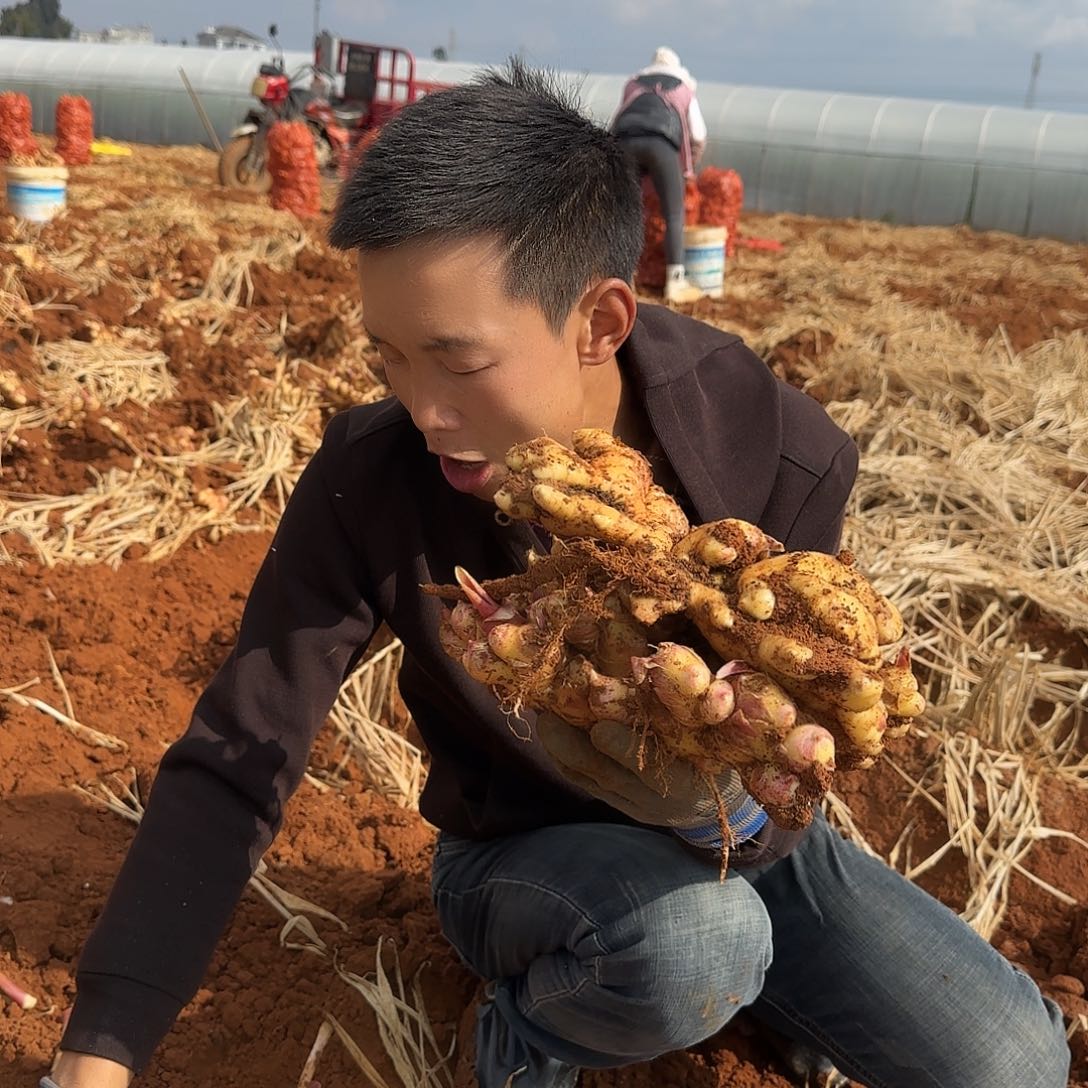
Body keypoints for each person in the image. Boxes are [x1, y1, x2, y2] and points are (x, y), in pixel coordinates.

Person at [46, 64, 1070, 1088]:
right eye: (388, 357)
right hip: (515, 854)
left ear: (599, 322)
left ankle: (743, 985)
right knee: (695, 947)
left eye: (456, 359)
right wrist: (100, 1050)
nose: (422, 407)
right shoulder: (374, 477)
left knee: (1011, 1061)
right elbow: (237, 753)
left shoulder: (774, 453)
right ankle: (526, 1042)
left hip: (737, 839)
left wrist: (731, 811)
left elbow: (799, 747)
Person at [611, 46, 708, 305]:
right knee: (674, 214)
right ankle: (675, 281)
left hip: (625, 144)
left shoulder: (633, 84)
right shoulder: (684, 89)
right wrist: (686, 169)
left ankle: (620, 277)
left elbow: (617, 119)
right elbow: (698, 134)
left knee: (624, 212)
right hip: (662, 146)